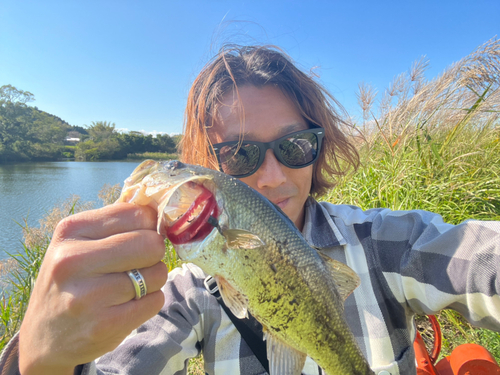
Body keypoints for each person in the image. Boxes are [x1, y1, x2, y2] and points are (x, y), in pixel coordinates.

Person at [1, 45, 500, 375]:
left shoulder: (385, 241)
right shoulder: (184, 294)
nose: (272, 177)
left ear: (318, 148)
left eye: (295, 147)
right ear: (208, 168)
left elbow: (479, 262)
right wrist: (43, 359)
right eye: (239, 154)